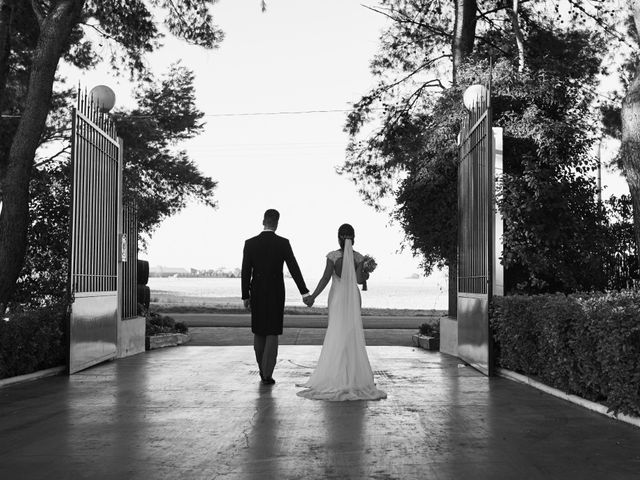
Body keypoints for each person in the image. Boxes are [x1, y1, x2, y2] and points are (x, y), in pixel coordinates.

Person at [297, 223, 386, 401]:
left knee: (336, 332)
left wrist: (312, 296)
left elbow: (325, 278)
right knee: (351, 333)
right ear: (353, 238)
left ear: (338, 238)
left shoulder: (333, 257)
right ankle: (353, 376)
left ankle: (336, 375)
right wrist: (366, 274)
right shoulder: (359, 258)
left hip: (337, 298)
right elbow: (360, 280)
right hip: (353, 297)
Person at [241, 209, 312, 385]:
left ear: (263, 221)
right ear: (277, 223)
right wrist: (304, 292)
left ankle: (261, 369)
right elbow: (294, 268)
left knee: (259, 331)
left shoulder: (250, 243)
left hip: (256, 291)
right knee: (272, 331)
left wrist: (245, 295)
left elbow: (245, 271)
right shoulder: (283, 243)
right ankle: (267, 373)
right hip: (275, 292)